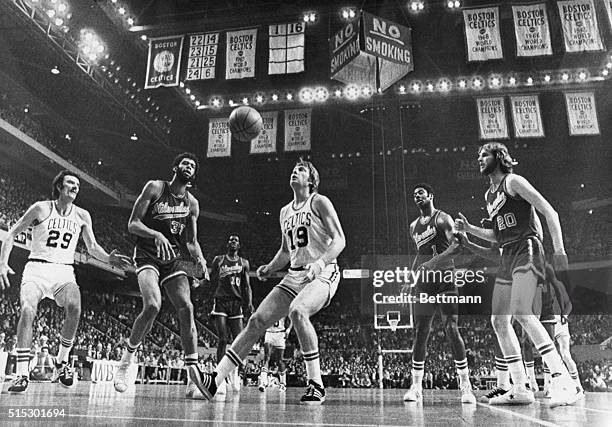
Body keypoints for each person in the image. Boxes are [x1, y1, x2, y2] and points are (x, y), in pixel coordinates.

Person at [189, 158, 345, 404]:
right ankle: (214, 380)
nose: (295, 172)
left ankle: (316, 384)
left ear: (311, 180)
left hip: (324, 271)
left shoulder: (319, 202)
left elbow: (339, 240)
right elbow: (285, 251)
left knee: (298, 312)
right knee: (257, 320)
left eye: (301, 170)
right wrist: (269, 268)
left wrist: (319, 264)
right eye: (294, 169)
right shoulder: (285, 212)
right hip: (294, 274)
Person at [455, 142, 581, 407]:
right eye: (478, 155)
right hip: (507, 254)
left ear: (499, 157)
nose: (479, 158)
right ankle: (520, 387)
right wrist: (469, 229)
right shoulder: (489, 195)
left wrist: (559, 252)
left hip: (527, 248)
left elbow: (550, 211)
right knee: (499, 321)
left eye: (484, 154)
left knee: (523, 311)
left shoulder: (513, 181)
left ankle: (562, 381)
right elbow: (496, 236)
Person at [0, 170, 132, 393]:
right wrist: (3, 263)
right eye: (70, 183)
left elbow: (91, 248)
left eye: (78, 185)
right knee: (27, 311)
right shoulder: (41, 208)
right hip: (37, 267)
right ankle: (22, 374)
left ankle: (61, 363)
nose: (75, 187)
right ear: (59, 187)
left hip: (63, 271)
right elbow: (12, 233)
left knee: (75, 307)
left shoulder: (82, 215)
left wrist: (108, 257)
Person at [113, 153, 208, 399]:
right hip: (147, 254)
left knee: (186, 307)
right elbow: (132, 224)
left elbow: (192, 242)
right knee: (153, 306)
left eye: (193, 166)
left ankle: (192, 376)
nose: (189, 167)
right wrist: (155, 234)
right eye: (185, 163)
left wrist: (201, 261)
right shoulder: (155, 187)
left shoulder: (192, 204)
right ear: (175, 167)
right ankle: (126, 362)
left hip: (175, 258)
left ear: (194, 174)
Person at [402, 183, 476, 404]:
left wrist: (432, 263)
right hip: (424, 284)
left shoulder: (443, 219)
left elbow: (457, 247)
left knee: (451, 327)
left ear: (431, 196)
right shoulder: (413, 226)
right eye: (414, 194)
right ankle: (416, 387)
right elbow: (419, 255)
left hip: (445, 280)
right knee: (420, 331)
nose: (417, 196)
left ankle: (465, 386)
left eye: (421, 193)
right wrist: (410, 278)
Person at [209, 234, 253, 393]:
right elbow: (211, 279)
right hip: (221, 301)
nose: (233, 241)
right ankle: (218, 377)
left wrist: (249, 303)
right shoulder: (218, 260)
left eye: (236, 240)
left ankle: (234, 373)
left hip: (236, 302)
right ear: (227, 244)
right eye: (231, 240)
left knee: (238, 341)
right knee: (223, 338)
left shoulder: (244, 263)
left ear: (239, 246)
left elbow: (247, 286)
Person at [259, 316, 291, 391]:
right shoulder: (268, 306)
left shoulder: (284, 307)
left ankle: (283, 384)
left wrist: (288, 329)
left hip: (280, 334)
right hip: (269, 333)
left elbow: (291, 319)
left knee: (279, 361)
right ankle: (263, 382)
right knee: (266, 358)